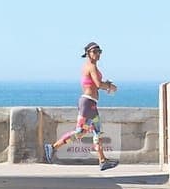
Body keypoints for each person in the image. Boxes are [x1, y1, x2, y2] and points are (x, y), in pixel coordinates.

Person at [46, 41, 119, 170]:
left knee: (94, 131)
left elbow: (93, 83)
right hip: (87, 103)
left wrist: (106, 84)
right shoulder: (91, 67)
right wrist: (110, 86)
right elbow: (97, 84)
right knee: (81, 132)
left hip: (90, 104)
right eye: (94, 52)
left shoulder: (90, 66)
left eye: (99, 51)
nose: (97, 54)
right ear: (88, 53)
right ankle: (52, 147)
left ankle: (102, 160)